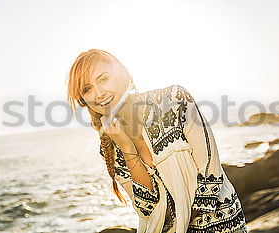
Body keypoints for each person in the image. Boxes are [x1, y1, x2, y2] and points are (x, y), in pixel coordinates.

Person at [66, 49, 248, 233]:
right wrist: (126, 146)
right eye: (87, 89)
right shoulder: (110, 148)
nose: (99, 94)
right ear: (83, 99)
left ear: (120, 73)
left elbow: (210, 171)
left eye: (103, 79)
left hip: (220, 221)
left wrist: (186, 225)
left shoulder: (174, 99)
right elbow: (147, 208)